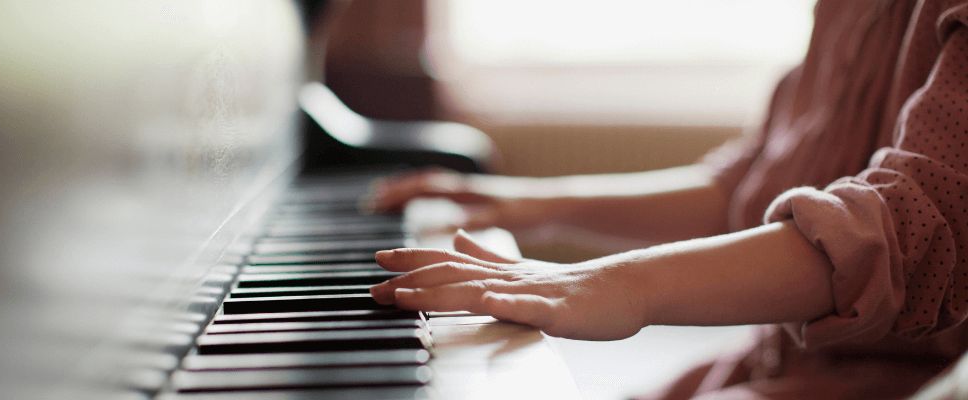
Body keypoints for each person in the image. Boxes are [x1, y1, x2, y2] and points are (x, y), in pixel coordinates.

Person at [367, 1, 968, 398]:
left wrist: (617, 285)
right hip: (776, 362)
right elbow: (745, 186)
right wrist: (533, 205)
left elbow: (898, 235)